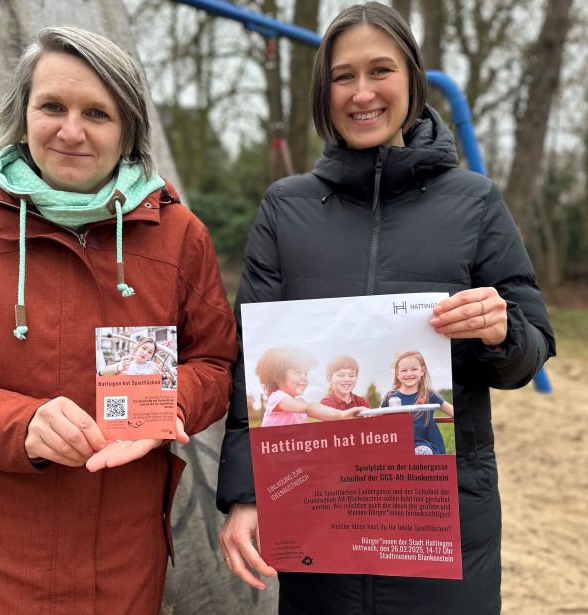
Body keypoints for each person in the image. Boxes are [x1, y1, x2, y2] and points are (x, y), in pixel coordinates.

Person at [0, 27, 236, 614]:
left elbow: (213, 364)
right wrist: (20, 423)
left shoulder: (179, 236)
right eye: (53, 107)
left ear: (128, 130)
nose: (71, 130)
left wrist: (165, 406)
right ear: (24, 114)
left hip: (119, 567)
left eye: (97, 112)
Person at [215, 3, 555, 613]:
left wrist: (500, 330)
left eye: (381, 70)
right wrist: (245, 491)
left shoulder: (474, 202)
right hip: (320, 507)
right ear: (324, 92)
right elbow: (251, 363)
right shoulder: (285, 208)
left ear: (413, 81)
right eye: (344, 76)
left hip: (445, 512)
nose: (362, 92)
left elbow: (530, 351)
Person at [255, 347, 359, 426]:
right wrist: (342, 415)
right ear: (277, 376)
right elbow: (309, 408)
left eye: (305, 373)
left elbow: (317, 415)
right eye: (297, 373)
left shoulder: (300, 401)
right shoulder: (278, 398)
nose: (304, 378)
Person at [380, 350, 455, 455]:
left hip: (428, 443)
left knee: (423, 454)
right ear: (397, 374)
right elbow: (379, 422)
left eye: (414, 369)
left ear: (422, 371)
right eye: (404, 370)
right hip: (402, 443)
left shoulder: (429, 394)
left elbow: (453, 411)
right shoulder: (390, 397)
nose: (409, 373)